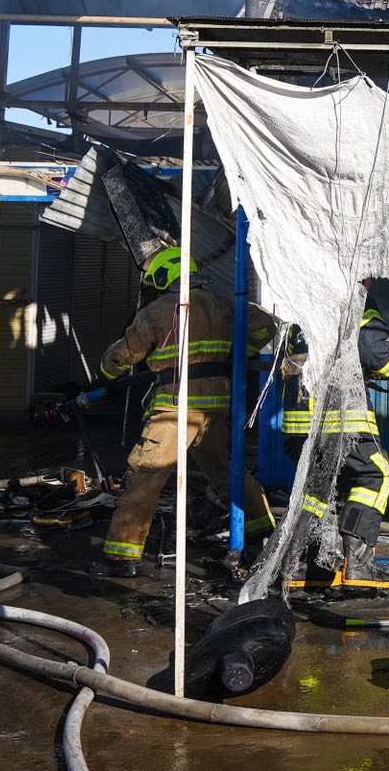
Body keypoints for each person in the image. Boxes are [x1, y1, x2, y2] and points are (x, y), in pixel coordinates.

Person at [97, 245, 275, 578]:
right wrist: (239, 352)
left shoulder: (158, 310)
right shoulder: (223, 304)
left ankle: (122, 556)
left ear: (164, 277)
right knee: (226, 470)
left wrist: (105, 373)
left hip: (175, 406)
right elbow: (266, 325)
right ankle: (261, 530)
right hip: (215, 405)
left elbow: (126, 354)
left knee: (146, 473)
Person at [280, 279, 389, 589]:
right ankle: (358, 567)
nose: (371, 282)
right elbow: (371, 347)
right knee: (376, 476)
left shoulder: (302, 297)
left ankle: (304, 566)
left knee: (317, 489)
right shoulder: (352, 299)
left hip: (301, 419)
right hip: (339, 416)